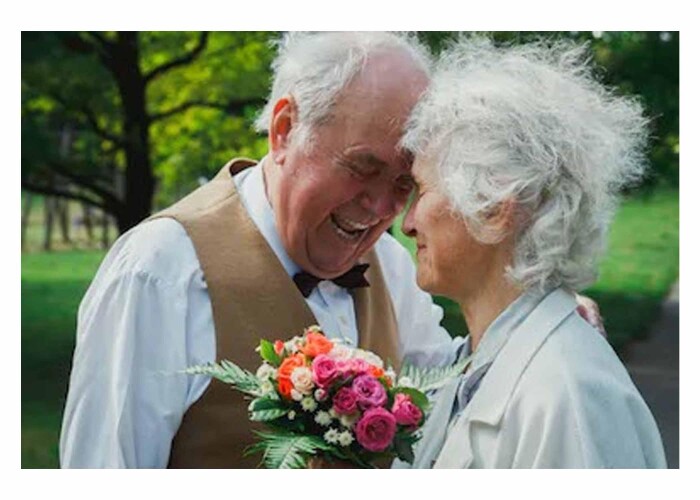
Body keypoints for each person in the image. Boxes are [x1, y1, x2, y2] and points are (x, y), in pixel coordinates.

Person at [59, 32, 602, 468]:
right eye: (362, 168)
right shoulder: (160, 271)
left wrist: (532, 325)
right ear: (285, 129)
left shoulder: (389, 265)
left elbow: (444, 395)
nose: (380, 209)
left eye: (402, 183)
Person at [396, 37, 667, 468]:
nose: (407, 222)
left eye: (423, 190)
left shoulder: (568, 398)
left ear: (495, 209)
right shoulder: (479, 366)